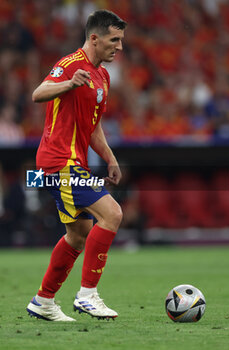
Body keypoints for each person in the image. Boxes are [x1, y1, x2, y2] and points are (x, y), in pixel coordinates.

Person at [26, 9, 127, 322]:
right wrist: (69, 83)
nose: (120, 47)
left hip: (74, 162)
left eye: (121, 40)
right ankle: (87, 295)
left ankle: (43, 301)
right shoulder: (70, 65)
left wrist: (110, 158)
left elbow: (93, 128)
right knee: (112, 213)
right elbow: (37, 93)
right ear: (94, 38)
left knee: (78, 234)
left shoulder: (103, 77)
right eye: (114, 39)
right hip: (60, 162)